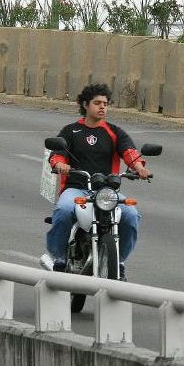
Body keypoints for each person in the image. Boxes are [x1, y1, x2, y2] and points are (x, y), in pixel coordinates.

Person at [40, 83, 151, 281]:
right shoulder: (71, 131)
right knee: (64, 211)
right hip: (76, 189)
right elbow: (57, 155)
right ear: (85, 104)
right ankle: (59, 258)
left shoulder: (114, 132)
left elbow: (130, 153)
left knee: (131, 215)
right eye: (97, 103)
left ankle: (120, 262)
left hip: (107, 192)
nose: (102, 107)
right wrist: (60, 165)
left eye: (105, 103)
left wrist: (140, 167)